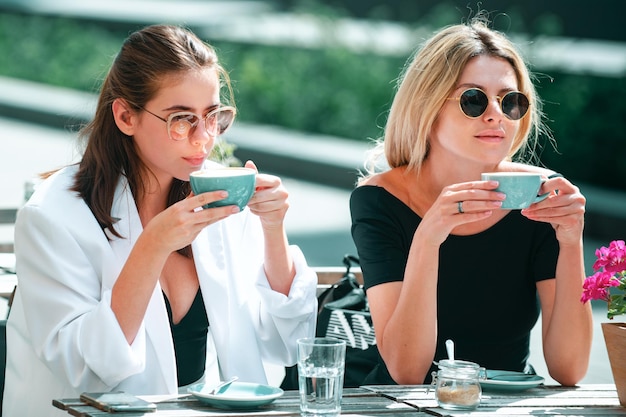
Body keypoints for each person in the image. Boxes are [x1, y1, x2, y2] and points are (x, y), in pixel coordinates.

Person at [3, 24, 317, 416]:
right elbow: (84, 369)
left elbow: (285, 342)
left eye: (213, 116)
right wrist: (152, 246)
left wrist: (272, 229)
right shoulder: (52, 217)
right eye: (181, 119)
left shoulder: (214, 194)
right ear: (125, 116)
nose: (204, 138)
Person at [349, 16, 593, 386]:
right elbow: (407, 372)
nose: (496, 114)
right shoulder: (380, 200)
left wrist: (571, 241)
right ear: (427, 107)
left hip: (506, 405)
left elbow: (569, 369)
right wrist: (429, 236)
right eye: (474, 99)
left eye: (510, 101)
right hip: (404, 406)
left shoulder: (541, 196)